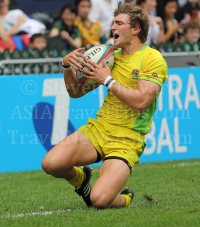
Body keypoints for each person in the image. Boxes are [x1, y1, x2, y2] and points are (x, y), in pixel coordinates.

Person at [42, 3, 168, 209]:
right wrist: (66, 67)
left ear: (136, 29)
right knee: (50, 164)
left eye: (119, 23)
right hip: (99, 129)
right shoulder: (109, 58)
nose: (113, 28)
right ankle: (81, 179)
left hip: (127, 139)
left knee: (98, 201)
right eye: (113, 23)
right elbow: (75, 92)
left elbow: (142, 102)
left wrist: (107, 80)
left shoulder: (152, 58)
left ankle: (125, 199)